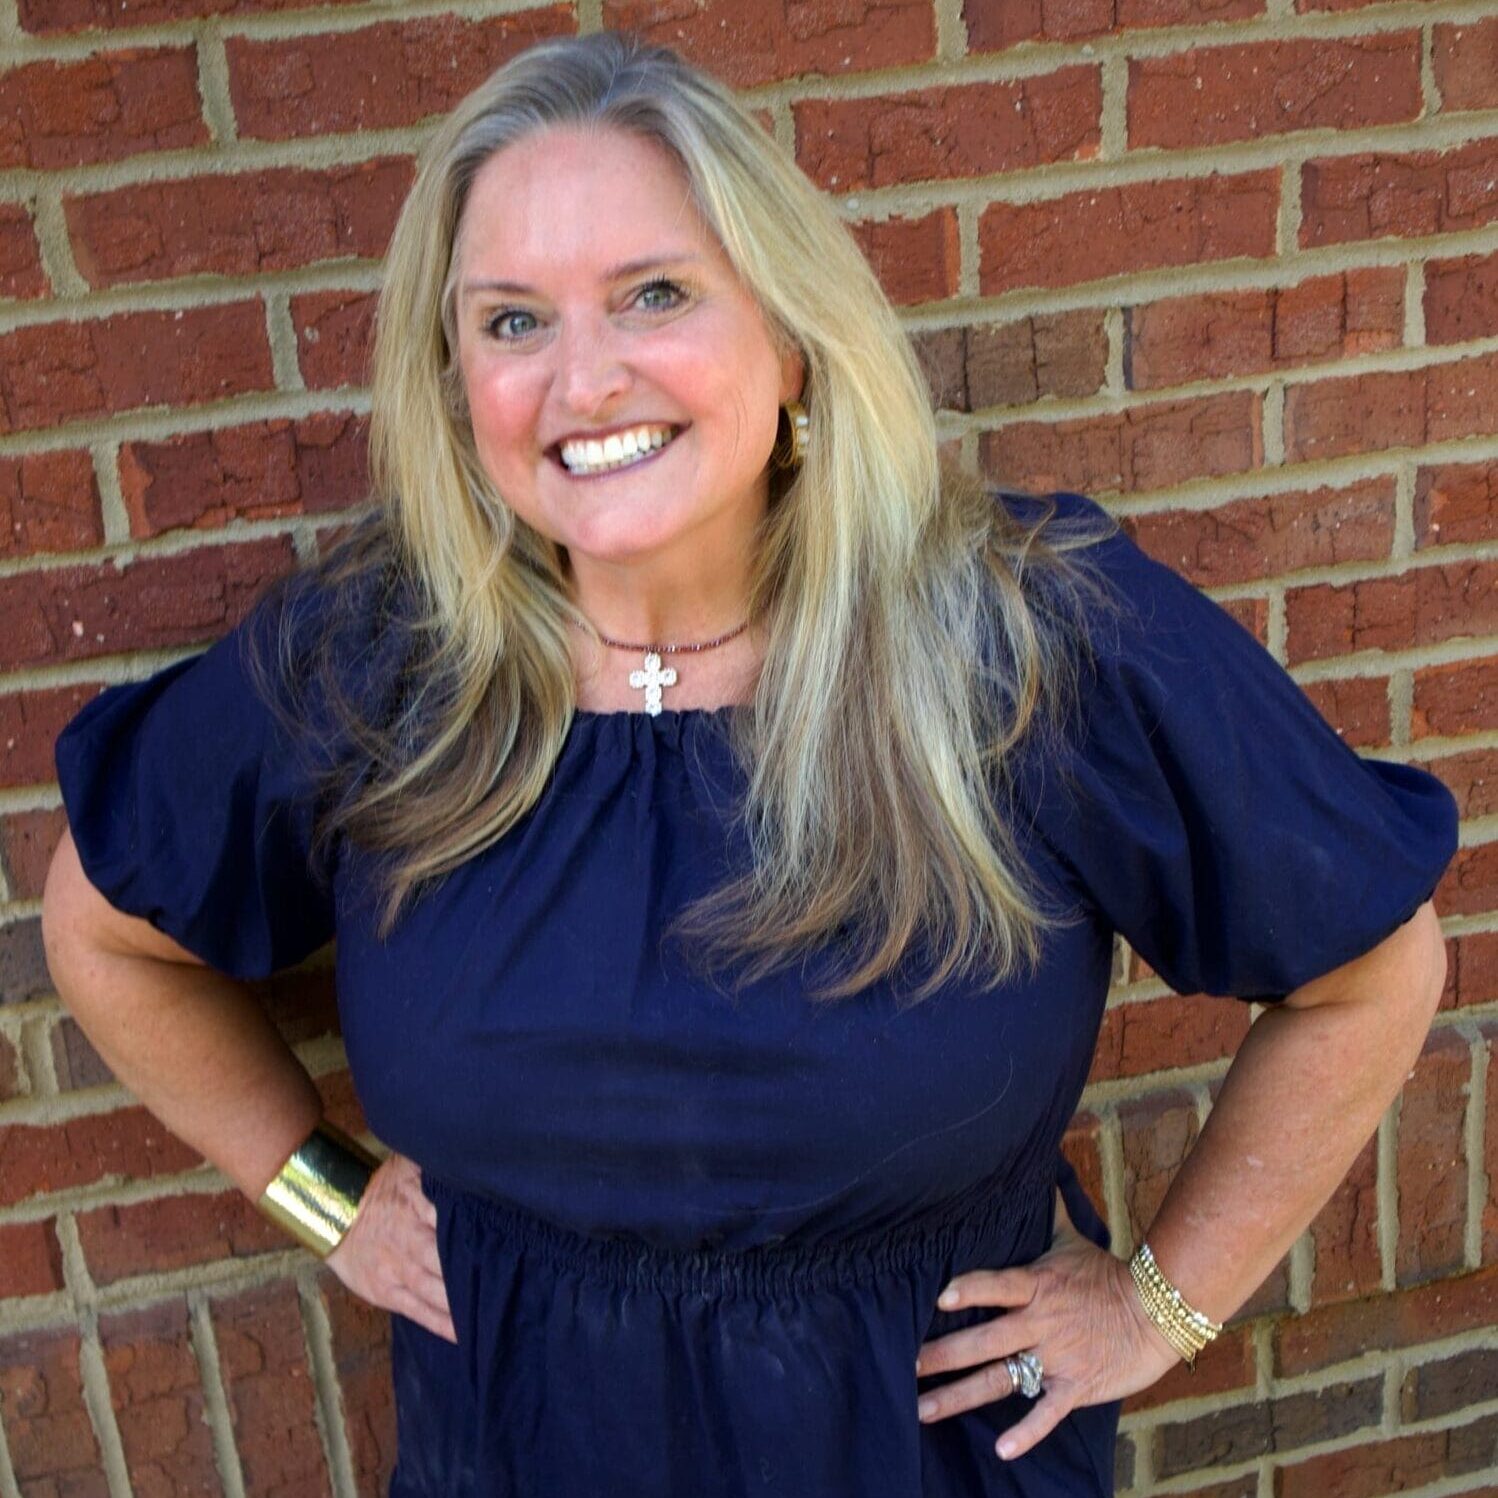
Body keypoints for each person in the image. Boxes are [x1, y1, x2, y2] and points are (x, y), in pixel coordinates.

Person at [42, 30, 1457, 1498]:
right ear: (454, 384)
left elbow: (1365, 975)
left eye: (653, 293)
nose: (584, 379)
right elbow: (105, 930)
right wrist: (323, 1196)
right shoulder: (382, 661)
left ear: (788, 338)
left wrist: (1160, 1307)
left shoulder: (1025, 645)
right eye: (512, 321)